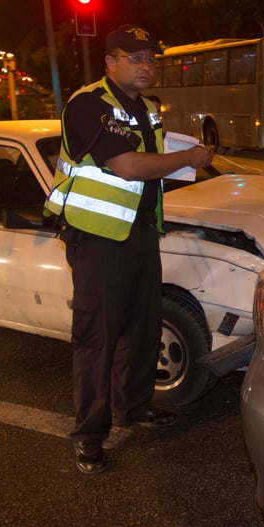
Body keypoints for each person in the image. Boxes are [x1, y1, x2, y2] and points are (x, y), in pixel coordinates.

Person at [44, 24, 214, 475]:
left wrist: (188, 153)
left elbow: (154, 153)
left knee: (142, 328)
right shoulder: (88, 105)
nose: (146, 66)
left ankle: (134, 408)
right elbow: (129, 165)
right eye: (135, 58)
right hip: (97, 239)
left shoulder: (146, 108)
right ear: (110, 62)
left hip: (139, 234)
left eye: (151, 59)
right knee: (97, 338)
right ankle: (89, 435)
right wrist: (188, 159)